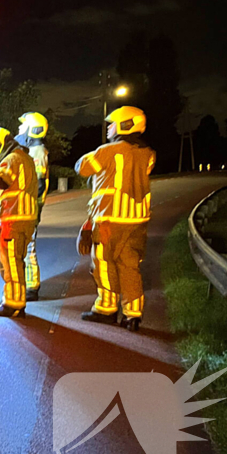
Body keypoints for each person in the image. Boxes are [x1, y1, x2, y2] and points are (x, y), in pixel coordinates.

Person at [75, 106, 155, 331]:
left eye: (112, 124)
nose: (109, 127)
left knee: (103, 263)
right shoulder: (148, 154)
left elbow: (82, 168)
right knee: (130, 266)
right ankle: (133, 314)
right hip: (137, 221)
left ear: (125, 125)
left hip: (109, 220)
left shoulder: (108, 151)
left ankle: (106, 308)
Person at [0, 126, 38, 317]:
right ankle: (11, 296)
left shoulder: (12, 159)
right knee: (7, 262)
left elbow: (0, 180)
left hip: (15, 218)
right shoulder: (23, 158)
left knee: (12, 263)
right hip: (20, 218)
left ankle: (14, 304)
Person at [15, 112, 50, 301]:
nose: (19, 129)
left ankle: (31, 287)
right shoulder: (32, 150)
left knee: (28, 246)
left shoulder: (37, 152)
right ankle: (26, 284)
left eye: (23, 126)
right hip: (28, 207)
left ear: (33, 129)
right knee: (25, 246)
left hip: (30, 208)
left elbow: (37, 183)